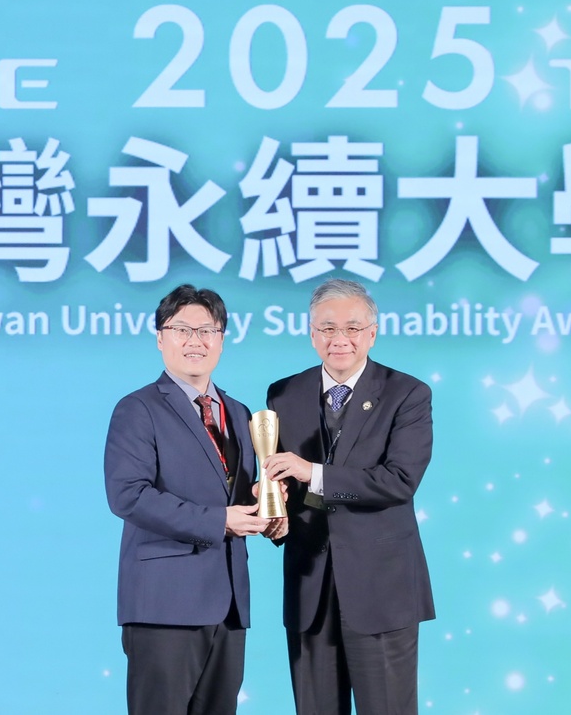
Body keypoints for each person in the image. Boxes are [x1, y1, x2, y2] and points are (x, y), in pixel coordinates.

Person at [104, 284, 284, 715]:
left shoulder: (240, 413)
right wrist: (220, 520)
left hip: (228, 606)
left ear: (222, 339)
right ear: (160, 337)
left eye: (207, 330)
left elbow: (239, 500)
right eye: (182, 329)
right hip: (164, 605)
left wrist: (272, 515)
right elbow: (128, 496)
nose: (195, 340)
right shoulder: (138, 408)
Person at [264, 278, 435, 715]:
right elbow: (280, 481)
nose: (339, 339)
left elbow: (398, 480)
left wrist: (312, 473)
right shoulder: (283, 394)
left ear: (372, 333)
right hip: (309, 586)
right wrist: (275, 509)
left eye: (353, 328)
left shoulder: (408, 394)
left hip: (381, 589)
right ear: (311, 332)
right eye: (327, 328)